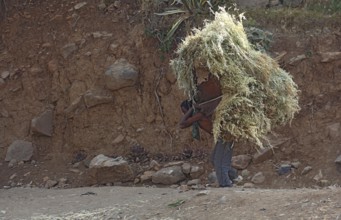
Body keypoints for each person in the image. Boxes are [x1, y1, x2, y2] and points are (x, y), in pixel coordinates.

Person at [179, 75, 236, 187]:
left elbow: (182, 124)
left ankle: (225, 184)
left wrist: (190, 109)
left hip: (225, 135)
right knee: (215, 160)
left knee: (218, 161)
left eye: (183, 111)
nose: (183, 114)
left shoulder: (200, 114)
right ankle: (232, 178)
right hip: (225, 135)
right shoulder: (201, 112)